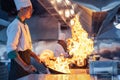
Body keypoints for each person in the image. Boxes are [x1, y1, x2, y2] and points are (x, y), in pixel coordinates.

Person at [6, 0, 41, 80]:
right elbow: (11, 50)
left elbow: (26, 48)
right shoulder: (15, 25)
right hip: (18, 67)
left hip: (25, 64)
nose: (31, 11)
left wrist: (35, 56)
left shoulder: (25, 25)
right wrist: (25, 66)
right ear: (21, 9)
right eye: (29, 9)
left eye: (31, 9)